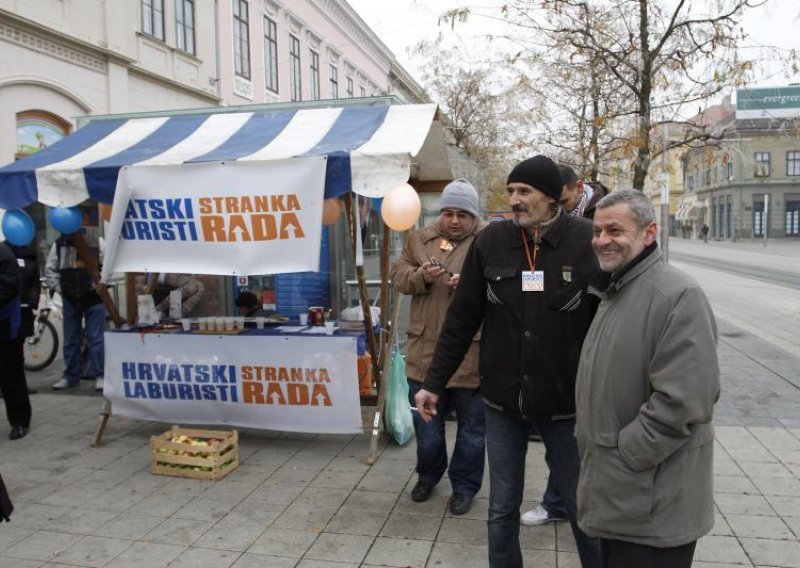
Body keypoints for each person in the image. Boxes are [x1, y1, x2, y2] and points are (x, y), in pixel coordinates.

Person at [415, 155, 602, 568]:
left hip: (565, 404)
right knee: (501, 509)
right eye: (511, 191)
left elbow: (611, 322)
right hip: (502, 402)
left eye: (525, 192)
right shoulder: (492, 241)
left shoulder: (585, 240)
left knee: (580, 507)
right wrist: (433, 382)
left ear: (551, 198)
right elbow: (462, 320)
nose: (514, 200)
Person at [576, 189, 719, 568]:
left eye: (615, 230)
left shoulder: (677, 295)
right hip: (622, 496)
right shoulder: (618, 289)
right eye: (597, 230)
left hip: (652, 503)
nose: (602, 240)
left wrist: (627, 455)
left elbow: (684, 402)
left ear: (649, 232)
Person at [391, 178, 487, 516]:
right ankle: (428, 475)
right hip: (425, 355)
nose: (455, 220)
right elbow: (398, 278)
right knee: (426, 428)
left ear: (474, 215)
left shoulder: (490, 241)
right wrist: (422, 277)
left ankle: (464, 486)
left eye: (463, 214)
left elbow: (509, 287)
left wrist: (476, 287)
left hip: (471, 357)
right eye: (449, 212)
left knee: (473, 431)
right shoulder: (419, 239)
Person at [45, 232, 106, 391]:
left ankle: (99, 375)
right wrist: (62, 289)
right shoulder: (59, 243)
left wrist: (101, 285)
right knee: (71, 339)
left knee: (96, 339)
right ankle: (71, 376)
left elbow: (108, 265)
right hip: (71, 299)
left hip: (94, 298)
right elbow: (50, 270)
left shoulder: (96, 241)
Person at [0, 240, 32, 440]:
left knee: (11, 375)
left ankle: (20, 421)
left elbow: (10, 288)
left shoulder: (4, 255)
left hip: (5, 324)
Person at [9, 242, 41, 395]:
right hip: (7, 309)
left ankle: (20, 385)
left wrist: (32, 300)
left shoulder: (30, 254)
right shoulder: (4, 252)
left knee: (18, 349)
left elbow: (35, 281)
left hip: (23, 309)